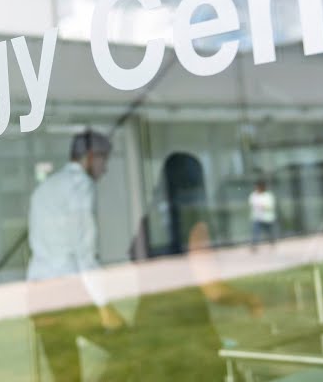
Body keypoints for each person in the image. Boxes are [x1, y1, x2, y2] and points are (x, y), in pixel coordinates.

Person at [118, 152, 264, 380]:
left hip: (147, 332)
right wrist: (249, 299)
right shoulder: (194, 221)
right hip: (184, 336)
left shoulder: (148, 221)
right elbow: (213, 290)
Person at [26, 128, 125, 382]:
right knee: (128, 346)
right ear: (90, 157)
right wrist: (104, 305)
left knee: (66, 375)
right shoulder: (81, 186)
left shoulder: (45, 188)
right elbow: (84, 253)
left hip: (38, 292)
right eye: (104, 160)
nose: (105, 169)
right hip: (66, 291)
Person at [248, 178, 277, 253]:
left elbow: (270, 206)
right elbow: (252, 204)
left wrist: (262, 206)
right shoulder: (253, 195)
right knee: (256, 232)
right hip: (257, 217)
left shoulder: (268, 195)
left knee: (269, 232)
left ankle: (272, 242)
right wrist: (260, 206)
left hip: (267, 218)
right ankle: (254, 245)